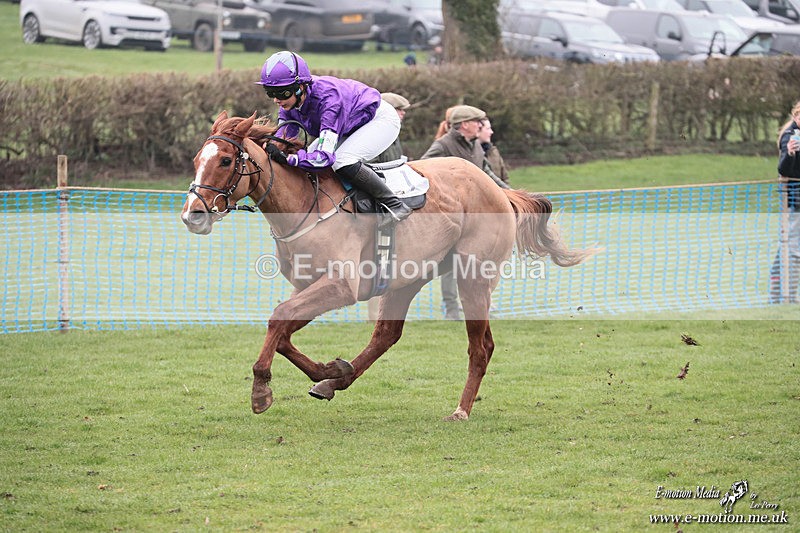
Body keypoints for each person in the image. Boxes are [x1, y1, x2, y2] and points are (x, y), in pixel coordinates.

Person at [256, 50, 412, 228]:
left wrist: (290, 159)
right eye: (270, 93)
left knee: (342, 160)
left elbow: (324, 157)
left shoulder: (329, 100)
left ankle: (394, 204)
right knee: (309, 155)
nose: (276, 100)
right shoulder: (287, 105)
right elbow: (282, 140)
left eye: (282, 93)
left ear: (300, 87)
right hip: (351, 124)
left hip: (380, 119)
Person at [420, 105, 509, 320]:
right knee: (450, 265)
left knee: (476, 263)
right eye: (477, 121)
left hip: (475, 218)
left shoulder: (476, 146)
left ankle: (477, 309)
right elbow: (422, 168)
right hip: (451, 218)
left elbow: (487, 174)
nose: (481, 125)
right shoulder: (443, 145)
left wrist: (509, 195)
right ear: (465, 125)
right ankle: (451, 310)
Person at [367, 91, 412, 321]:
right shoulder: (374, 132)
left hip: (392, 197)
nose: (403, 114)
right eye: (399, 109)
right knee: (378, 258)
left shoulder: (392, 132)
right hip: (378, 202)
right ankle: (374, 315)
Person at [769, 100, 800, 304]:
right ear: (797, 115)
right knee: (792, 249)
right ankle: (782, 295)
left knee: (791, 247)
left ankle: (784, 295)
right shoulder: (790, 135)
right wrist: (790, 152)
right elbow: (784, 170)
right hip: (796, 201)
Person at [478, 118, 510, 186]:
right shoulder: (472, 155)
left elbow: (505, 177)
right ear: (478, 129)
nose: (491, 132)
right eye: (488, 128)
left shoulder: (494, 151)